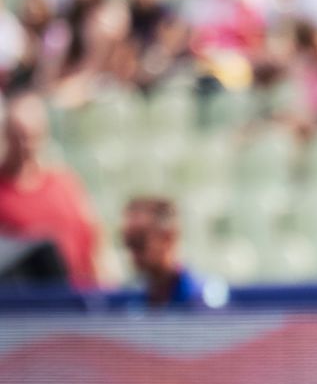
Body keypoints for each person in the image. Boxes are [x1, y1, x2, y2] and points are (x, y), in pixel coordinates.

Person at [0, 89, 103, 288]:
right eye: (18, 136)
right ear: (7, 135)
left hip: (75, 298)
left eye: (32, 136)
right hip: (24, 305)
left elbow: (92, 241)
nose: (26, 145)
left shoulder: (65, 184)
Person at [117, 195, 216, 307]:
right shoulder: (131, 299)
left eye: (138, 241)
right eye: (128, 241)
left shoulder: (202, 299)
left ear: (168, 237)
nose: (131, 251)